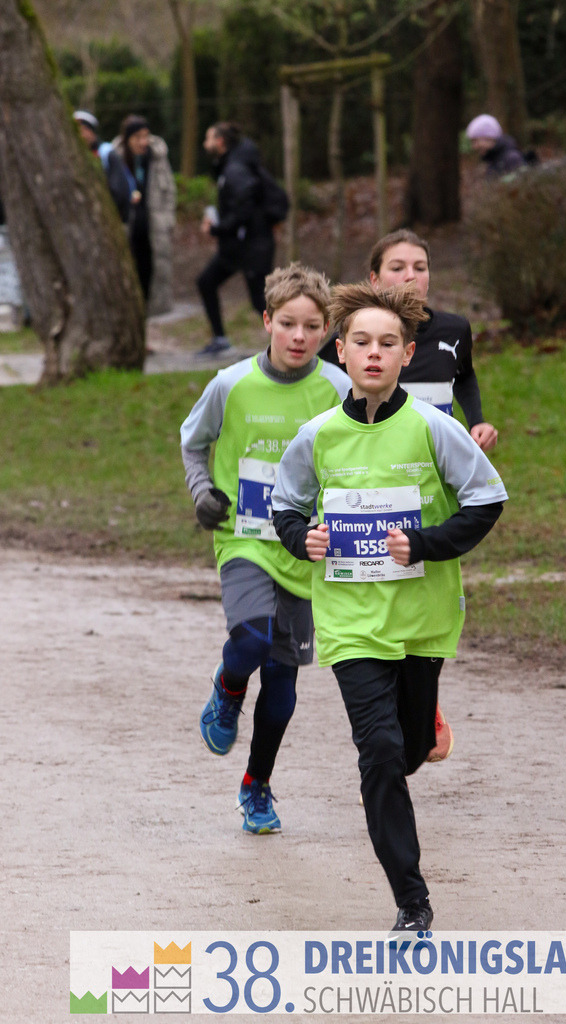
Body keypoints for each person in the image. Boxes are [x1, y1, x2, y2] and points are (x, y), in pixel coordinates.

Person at [272, 282, 508, 930]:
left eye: (386, 344)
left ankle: (415, 740)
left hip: (422, 619)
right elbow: (286, 508)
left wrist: (425, 545)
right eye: (360, 343)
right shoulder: (315, 435)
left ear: (406, 355)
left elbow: (487, 500)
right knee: (376, 752)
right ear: (339, 353)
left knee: (401, 750)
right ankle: (412, 901)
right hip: (349, 621)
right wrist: (304, 538)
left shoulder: (434, 427)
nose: (372, 354)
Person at [180, 263, 349, 835]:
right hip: (245, 538)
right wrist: (203, 493)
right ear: (266, 322)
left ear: (327, 331)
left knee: (282, 687)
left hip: (306, 547)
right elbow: (193, 443)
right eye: (287, 324)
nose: (298, 337)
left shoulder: (339, 389)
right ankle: (227, 689)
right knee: (250, 635)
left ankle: (257, 786)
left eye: (310, 326)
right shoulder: (230, 384)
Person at [319, 228, 498, 761]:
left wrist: (478, 423)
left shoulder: (453, 330)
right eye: (397, 267)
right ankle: (384, 752)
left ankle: (417, 712)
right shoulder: (356, 341)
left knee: (425, 599)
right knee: (375, 601)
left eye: (420, 266)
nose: (411, 276)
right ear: (375, 279)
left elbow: (464, 379)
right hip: (372, 483)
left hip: (433, 485)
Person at [195, 122, 277, 358]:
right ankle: (220, 339)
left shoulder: (236, 170)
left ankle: (297, 342)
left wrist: (219, 228)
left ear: (220, 142)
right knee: (206, 282)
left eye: (208, 138)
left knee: (259, 300)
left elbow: (244, 207)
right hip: (235, 247)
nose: (205, 144)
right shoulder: (228, 166)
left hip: (252, 247)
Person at [113, 115, 176, 315]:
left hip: (153, 230)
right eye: (138, 137)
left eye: (146, 136)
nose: (143, 142)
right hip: (127, 230)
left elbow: (169, 191)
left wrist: (167, 221)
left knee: (151, 277)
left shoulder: (157, 157)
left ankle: (146, 325)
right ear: (127, 138)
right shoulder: (116, 158)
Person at [73, 110, 130, 222]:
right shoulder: (76, 155)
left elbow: (120, 189)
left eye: (84, 129)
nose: (81, 134)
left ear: (92, 131)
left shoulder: (107, 152)